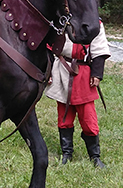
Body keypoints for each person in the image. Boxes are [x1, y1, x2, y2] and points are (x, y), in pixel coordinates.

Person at [45, 21, 110, 169]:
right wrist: (47, 72)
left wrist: (97, 73)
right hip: (62, 70)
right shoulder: (60, 20)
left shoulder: (94, 23)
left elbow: (99, 49)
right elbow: (48, 47)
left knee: (88, 119)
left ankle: (95, 156)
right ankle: (66, 153)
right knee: (64, 117)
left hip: (84, 75)